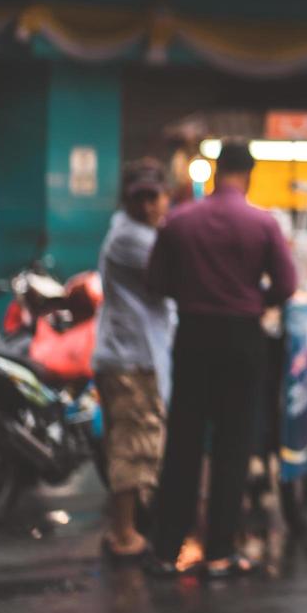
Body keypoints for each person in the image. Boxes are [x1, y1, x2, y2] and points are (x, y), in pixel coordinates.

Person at [144, 138, 298, 578]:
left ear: (214, 171)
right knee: (233, 445)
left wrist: (196, 296)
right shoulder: (262, 223)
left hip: (192, 335)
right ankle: (218, 552)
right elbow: (287, 285)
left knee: (184, 443)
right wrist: (252, 298)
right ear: (248, 175)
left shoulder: (177, 221)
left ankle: (165, 549)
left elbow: (156, 282)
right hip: (243, 339)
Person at [92, 161, 173, 562]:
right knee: (132, 446)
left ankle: (127, 527)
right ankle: (124, 535)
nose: (147, 206)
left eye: (152, 197)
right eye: (139, 198)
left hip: (136, 354)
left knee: (137, 443)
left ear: (165, 196)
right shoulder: (131, 239)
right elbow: (178, 275)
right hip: (129, 359)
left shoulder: (139, 233)